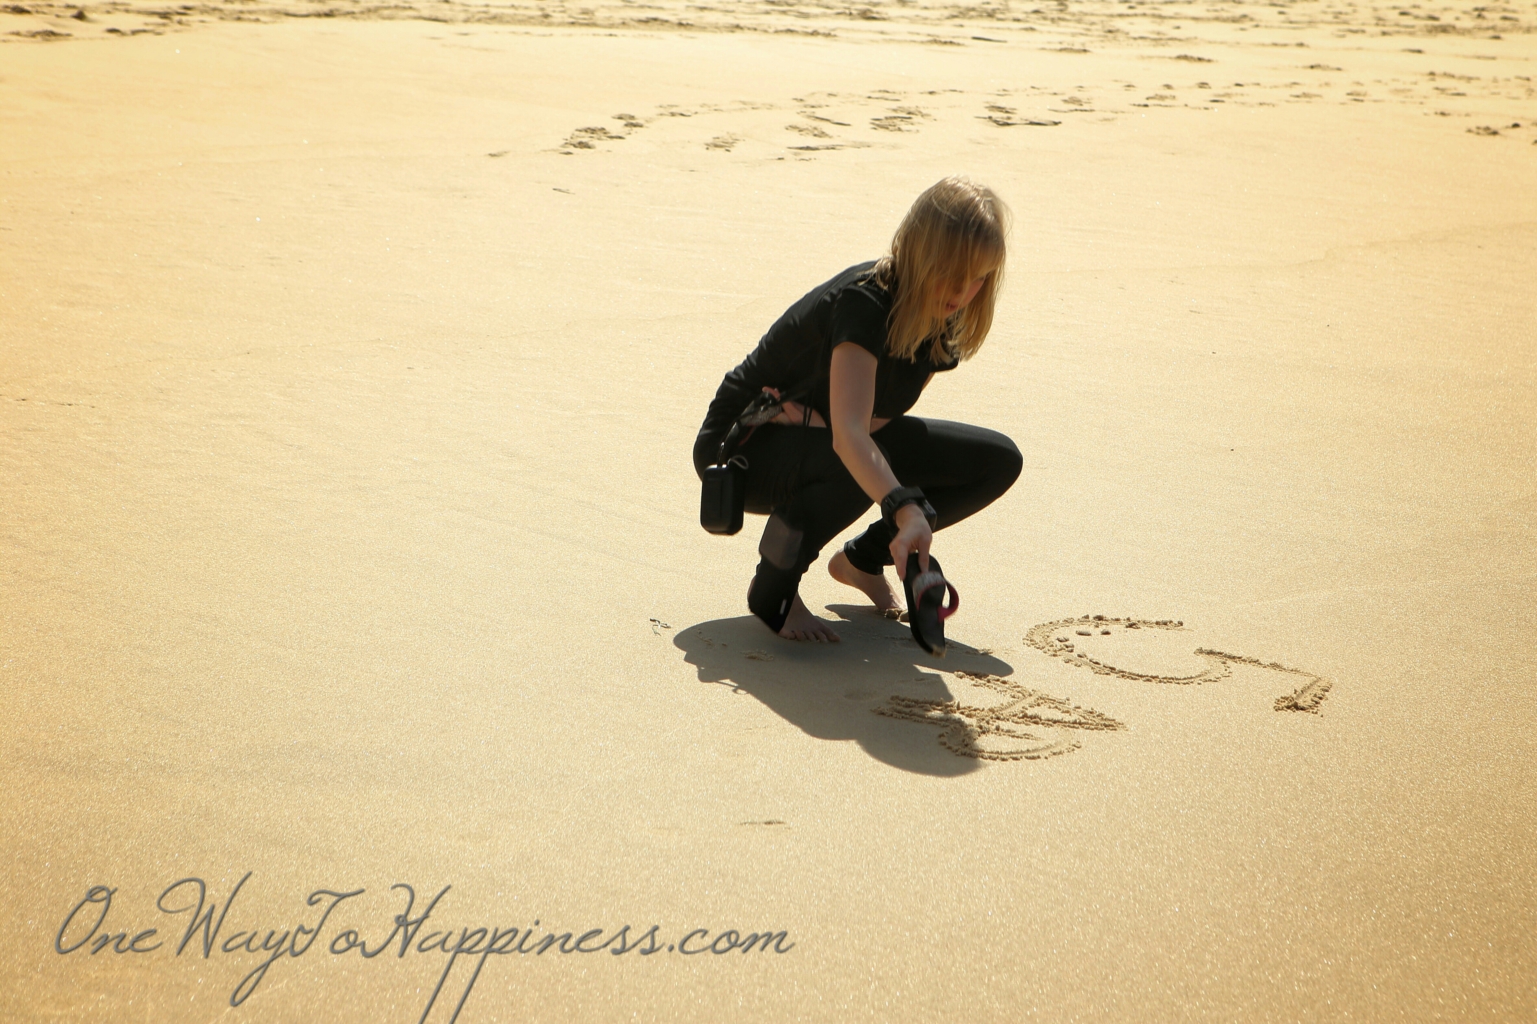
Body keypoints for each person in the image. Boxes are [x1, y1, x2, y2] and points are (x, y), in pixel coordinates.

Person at [693, 177, 1023, 644]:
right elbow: (852, 437)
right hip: (742, 445)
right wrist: (905, 507)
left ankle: (863, 559)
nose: (963, 289)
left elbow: (877, 420)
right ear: (922, 251)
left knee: (996, 461)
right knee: (855, 459)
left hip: (816, 430)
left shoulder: (940, 317)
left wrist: (821, 423)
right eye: (954, 271)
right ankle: (774, 588)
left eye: (979, 277)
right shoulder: (864, 301)